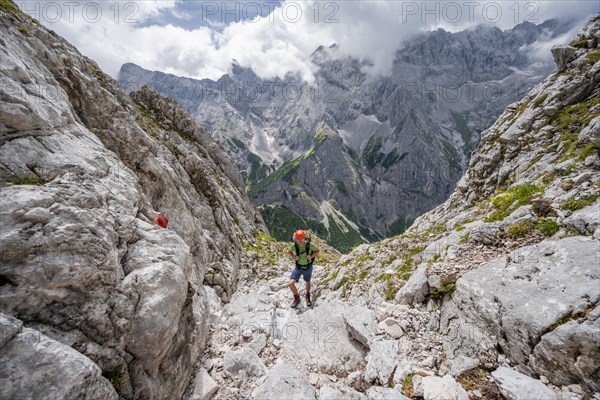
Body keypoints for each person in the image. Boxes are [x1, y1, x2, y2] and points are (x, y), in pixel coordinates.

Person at [287, 230, 319, 308]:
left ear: (304, 238)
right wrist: (294, 257)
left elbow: (317, 250)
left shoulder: (309, 244)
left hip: (308, 267)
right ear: (296, 239)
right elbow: (289, 252)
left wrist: (311, 257)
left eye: (301, 238)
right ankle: (296, 297)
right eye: (298, 239)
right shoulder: (294, 245)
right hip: (298, 267)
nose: (300, 241)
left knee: (307, 281)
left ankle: (307, 295)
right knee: (290, 283)